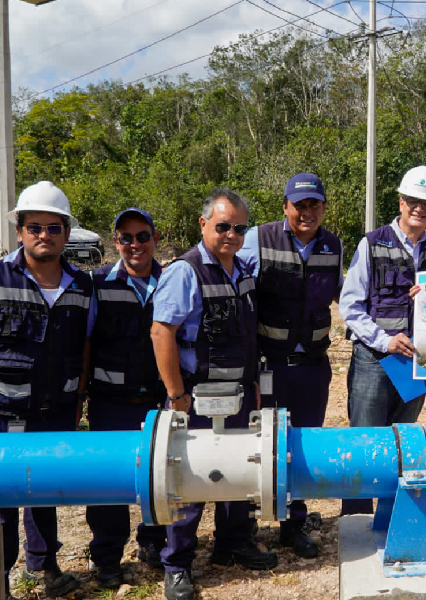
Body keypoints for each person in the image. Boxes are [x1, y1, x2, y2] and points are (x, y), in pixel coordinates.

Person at [151, 188, 277, 600]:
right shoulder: (185, 272)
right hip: (196, 398)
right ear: (203, 224)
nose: (232, 235)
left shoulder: (242, 270)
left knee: (239, 470)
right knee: (187, 481)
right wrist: (176, 395)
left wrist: (255, 382)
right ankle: (178, 564)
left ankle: (233, 543)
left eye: (240, 228)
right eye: (223, 226)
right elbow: (161, 332)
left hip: (239, 392)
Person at [0, 181, 92, 599]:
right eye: (35, 227)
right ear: (19, 231)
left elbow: (85, 348)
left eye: (53, 227)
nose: (44, 235)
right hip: (1, 412)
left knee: (44, 490)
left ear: (66, 234)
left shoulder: (81, 287)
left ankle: (47, 568)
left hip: (55, 410)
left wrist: (77, 403)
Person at [339, 165, 426, 515]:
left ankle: (391, 515)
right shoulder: (372, 243)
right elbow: (350, 305)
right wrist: (384, 340)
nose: (419, 208)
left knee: (403, 441)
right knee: (366, 441)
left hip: (414, 363)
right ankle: (356, 517)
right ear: (401, 202)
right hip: (374, 360)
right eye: (412, 201)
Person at [237, 173, 343, 558]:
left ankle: (293, 524)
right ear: (285, 206)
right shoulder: (258, 239)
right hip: (269, 364)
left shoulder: (334, 245)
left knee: (302, 446)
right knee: (256, 443)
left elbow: (345, 294)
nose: (307, 212)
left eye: (314, 205)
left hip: (313, 366)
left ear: (324, 208)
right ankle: (244, 526)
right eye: (299, 205)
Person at [85, 208, 167, 588]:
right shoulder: (97, 284)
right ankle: (107, 558)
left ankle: (154, 543)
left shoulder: (171, 281)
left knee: (161, 477)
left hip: (158, 401)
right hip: (110, 401)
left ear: (155, 239)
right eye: (126, 238)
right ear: (115, 242)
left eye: (143, 236)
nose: (136, 245)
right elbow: (84, 344)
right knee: (109, 482)